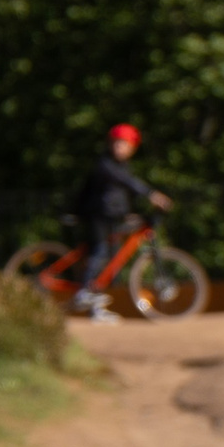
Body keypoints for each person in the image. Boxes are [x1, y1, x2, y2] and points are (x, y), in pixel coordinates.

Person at [71, 122, 172, 321]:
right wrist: (151, 194)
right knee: (99, 250)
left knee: (110, 259)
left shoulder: (122, 166)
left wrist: (129, 214)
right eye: (117, 143)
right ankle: (83, 291)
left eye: (124, 144)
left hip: (112, 216)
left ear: (132, 148)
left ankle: (96, 308)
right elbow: (127, 183)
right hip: (97, 215)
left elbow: (121, 194)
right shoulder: (106, 164)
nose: (120, 147)